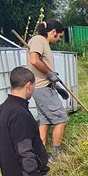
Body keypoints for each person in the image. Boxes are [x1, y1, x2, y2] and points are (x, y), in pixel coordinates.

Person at [27, 19, 69, 157]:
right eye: (59, 36)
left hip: (44, 87)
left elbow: (42, 69)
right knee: (61, 119)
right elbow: (34, 60)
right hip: (42, 89)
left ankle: (40, 152)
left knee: (45, 121)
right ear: (53, 32)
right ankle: (56, 155)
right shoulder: (39, 39)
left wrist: (56, 86)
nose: (59, 40)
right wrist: (49, 74)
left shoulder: (42, 42)